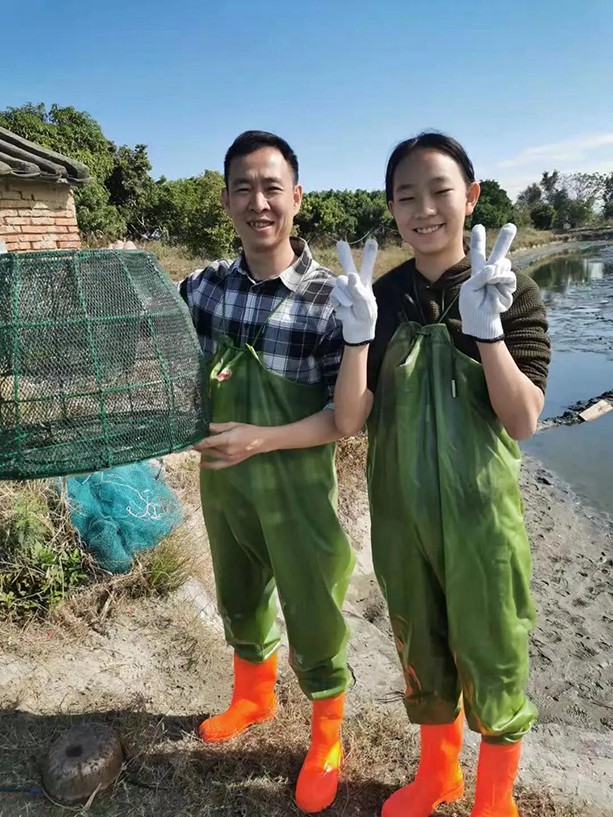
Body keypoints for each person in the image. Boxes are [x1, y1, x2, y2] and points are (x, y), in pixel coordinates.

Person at [330, 132, 551, 817]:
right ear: (391, 208)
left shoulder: (508, 287)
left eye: (439, 191)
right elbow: (347, 421)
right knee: (419, 645)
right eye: (406, 196)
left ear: (471, 196)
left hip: (482, 517)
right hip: (398, 515)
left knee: (493, 652)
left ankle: (493, 796)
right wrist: (356, 338)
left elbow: (522, 421)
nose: (423, 209)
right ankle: (438, 776)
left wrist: (486, 333)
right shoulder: (382, 294)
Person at [178, 130, 354, 814]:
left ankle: (326, 736)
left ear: (296, 198)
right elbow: (164, 365)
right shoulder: (203, 287)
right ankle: (251, 697)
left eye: (271, 187)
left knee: (314, 611)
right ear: (225, 200)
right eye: (243, 188)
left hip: (299, 492)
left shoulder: (327, 298)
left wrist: (262, 439)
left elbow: (345, 419)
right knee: (240, 593)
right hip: (224, 485)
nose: (259, 202)